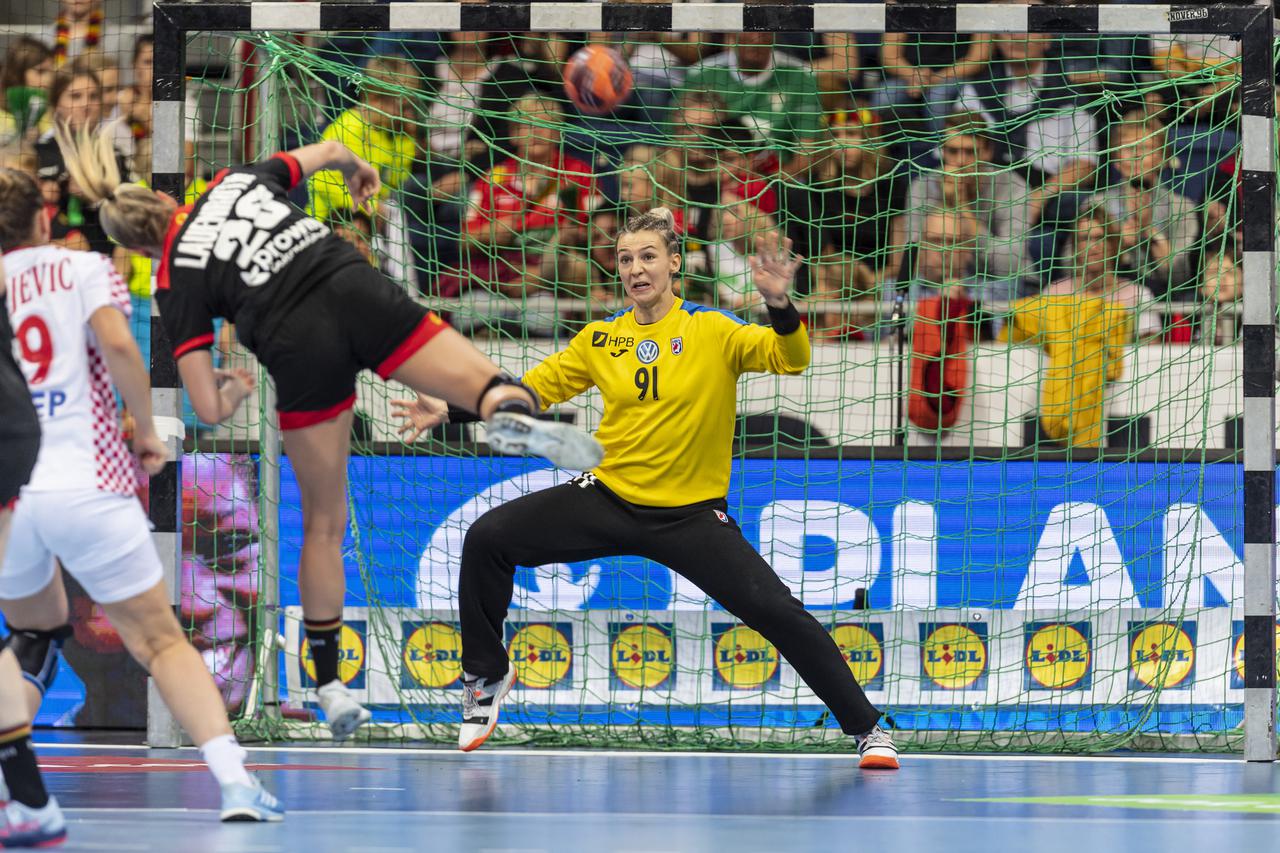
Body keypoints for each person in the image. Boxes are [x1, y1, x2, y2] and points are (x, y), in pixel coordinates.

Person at [53, 125, 603, 741]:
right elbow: (333, 151)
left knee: (323, 525)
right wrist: (356, 172)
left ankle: (330, 687)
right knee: (487, 382)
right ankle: (510, 415)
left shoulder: (173, 276)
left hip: (294, 345)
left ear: (142, 247)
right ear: (163, 201)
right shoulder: (235, 181)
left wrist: (233, 390)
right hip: (352, 286)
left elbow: (205, 405)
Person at [394, 207, 899, 769]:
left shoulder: (712, 329)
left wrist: (779, 303)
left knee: (777, 611)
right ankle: (486, 675)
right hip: (606, 498)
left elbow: (792, 357)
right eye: (627, 259)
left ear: (675, 264)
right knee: (488, 537)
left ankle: (869, 729)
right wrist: (448, 407)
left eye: (648, 257)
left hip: (690, 517)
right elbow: (530, 390)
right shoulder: (601, 338)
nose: (636, 268)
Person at [0, 166, 284, 822]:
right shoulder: (83, 267)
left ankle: (22, 788)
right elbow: (119, 341)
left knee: (31, 634)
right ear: (47, 217)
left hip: (14, 494)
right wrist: (149, 428)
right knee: (160, 641)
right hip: (87, 482)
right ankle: (236, 783)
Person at [0, 248, 65, 847]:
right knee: (39, 628)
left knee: (39, 627)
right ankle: (26, 796)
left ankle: (29, 798)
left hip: (16, 444)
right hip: (20, 440)